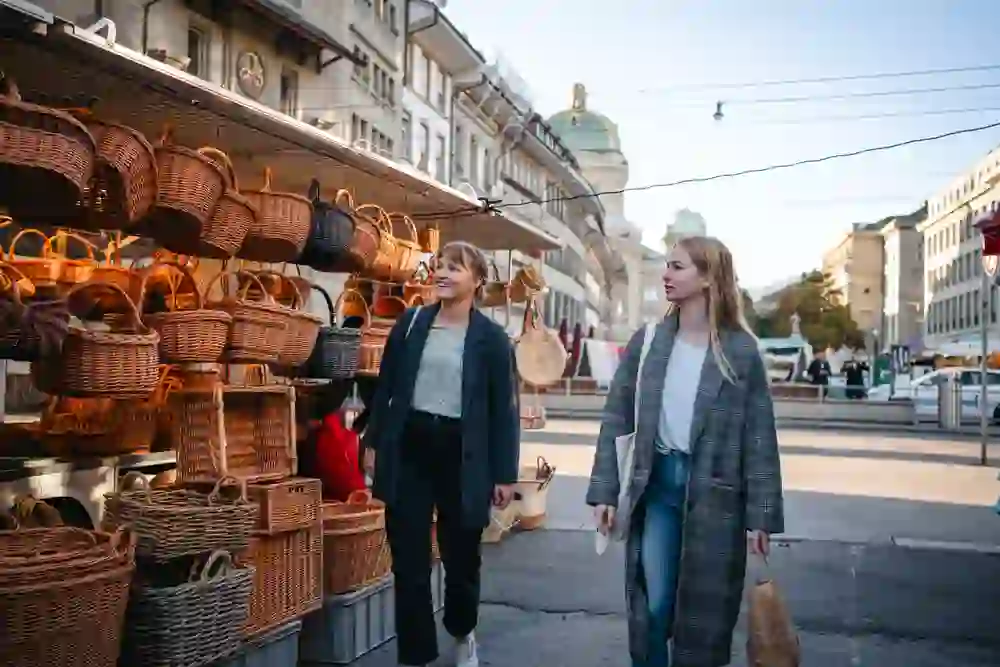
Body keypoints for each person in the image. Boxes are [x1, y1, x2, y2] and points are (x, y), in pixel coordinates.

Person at [587, 236, 784, 667]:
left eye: (677, 267)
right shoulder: (650, 340)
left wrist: (761, 516)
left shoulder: (741, 351)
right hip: (656, 488)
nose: (666, 274)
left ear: (709, 277)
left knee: (705, 619)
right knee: (654, 606)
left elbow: (759, 439)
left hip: (718, 495)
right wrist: (605, 490)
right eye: (667, 266)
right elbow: (617, 414)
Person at [363, 240, 519, 667]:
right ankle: (416, 655)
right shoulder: (410, 324)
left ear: (478, 280)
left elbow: (505, 411)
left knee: (461, 558)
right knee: (409, 560)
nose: (444, 274)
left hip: (463, 454)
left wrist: (505, 474)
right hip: (411, 447)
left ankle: (462, 628)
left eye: (456, 268)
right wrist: (373, 443)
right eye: (440, 266)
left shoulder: (491, 339)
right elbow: (386, 389)